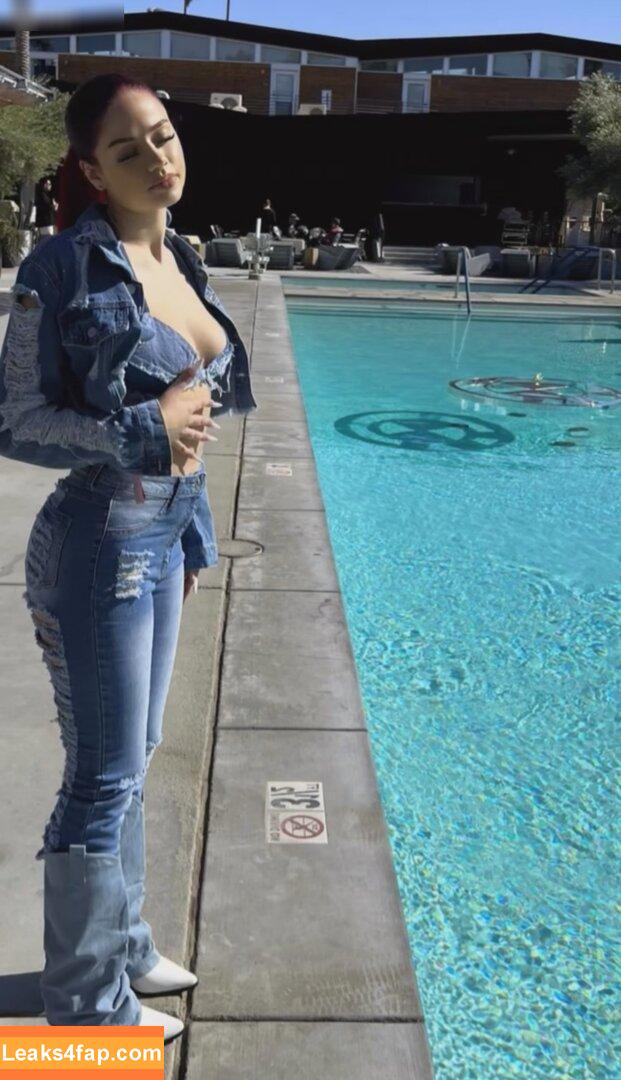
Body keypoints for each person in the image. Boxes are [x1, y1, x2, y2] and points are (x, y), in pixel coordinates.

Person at [0, 73, 257, 1039]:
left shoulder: (179, 251)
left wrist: (188, 532)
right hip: (98, 545)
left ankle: (124, 947)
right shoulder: (59, 267)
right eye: (127, 150)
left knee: (136, 761)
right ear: (92, 171)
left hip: (164, 538)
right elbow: (15, 418)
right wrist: (137, 430)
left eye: (162, 135)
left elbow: (197, 412)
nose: (157, 159)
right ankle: (85, 1013)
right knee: (101, 777)